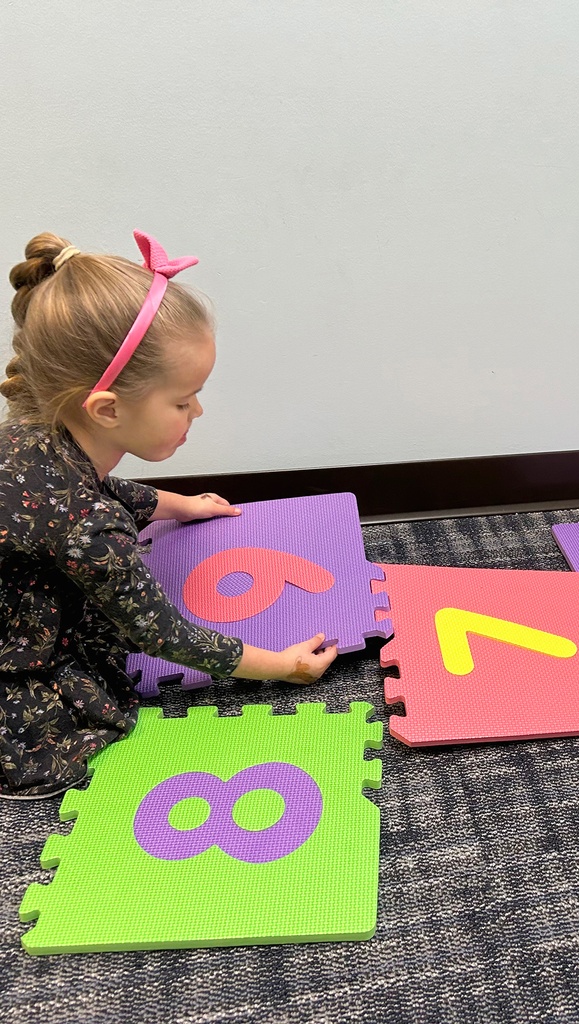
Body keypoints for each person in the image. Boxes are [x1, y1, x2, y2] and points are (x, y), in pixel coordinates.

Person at [0, 230, 338, 799]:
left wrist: (179, 505)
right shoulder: (88, 527)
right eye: (183, 401)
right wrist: (285, 668)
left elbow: (92, 489)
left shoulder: (35, 436)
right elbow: (164, 635)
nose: (198, 411)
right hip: (16, 655)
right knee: (77, 736)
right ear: (106, 409)